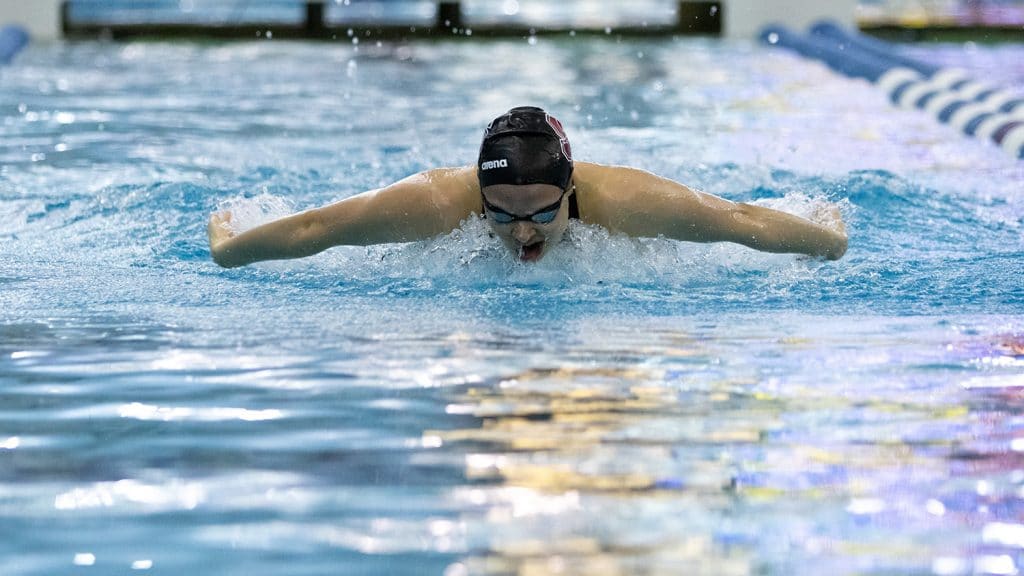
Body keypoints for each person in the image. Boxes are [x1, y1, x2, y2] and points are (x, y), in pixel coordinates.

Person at [207, 106, 847, 268]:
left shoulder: (622, 201)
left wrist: (828, 240)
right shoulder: (436, 202)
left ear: (570, 193)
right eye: (501, 216)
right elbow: (320, 228)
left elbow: (739, 221)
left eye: (542, 216)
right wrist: (229, 248)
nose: (520, 233)